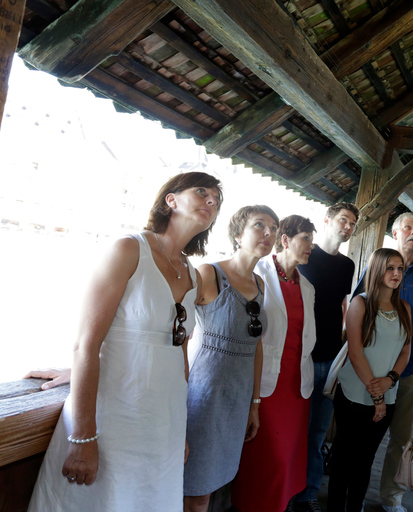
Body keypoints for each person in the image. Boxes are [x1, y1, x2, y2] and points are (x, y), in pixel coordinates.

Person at [28, 172, 223, 512]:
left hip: (163, 424)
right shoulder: (129, 249)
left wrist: (180, 430)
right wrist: (84, 437)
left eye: (217, 200)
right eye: (202, 191)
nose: (212, 201)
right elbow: (86, 345)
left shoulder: (192, 273)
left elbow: (179, 355)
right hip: (115, 419)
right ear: (171, 200)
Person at [353, 211, 413, 512]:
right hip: (373, 367)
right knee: (364, 436)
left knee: (402, 436)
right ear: (395, 233)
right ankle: (352, 496)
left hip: (412, 368)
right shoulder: (378, 263)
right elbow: (357, 305)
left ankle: (391, 497)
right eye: (407, 227)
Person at [183, 205, 278, 512]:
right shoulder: (209, 273)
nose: (269, 233)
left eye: (274, 228)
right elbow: (174, 329)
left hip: (237, 398)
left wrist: (254, 404)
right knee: (193, 487)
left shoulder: (261, 285)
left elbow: (256, 347)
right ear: (238, 234)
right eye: (260, 225)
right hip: (204, 395)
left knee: (212, 485)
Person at [231, 215, 317, 512]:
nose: (311, 245)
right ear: (285, 240)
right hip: (266, 382)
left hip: (297, 385)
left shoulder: (307, 286)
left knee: (290, 458)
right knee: (267, 458)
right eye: (305, 238)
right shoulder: (258, 274)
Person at [328, 248, 413, 512]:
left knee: (365, 461)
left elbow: (406, 351)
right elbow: (355, 352)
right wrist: (376, 396)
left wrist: (391, 379)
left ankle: (354, 507)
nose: (396, 273)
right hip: (354, 395)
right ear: (377, 269)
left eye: (400, 268)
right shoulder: (361, 303)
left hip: (388, 397)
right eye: (390, 268)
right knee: (343, 459)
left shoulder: (404, 307)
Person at [293, 202, 358, 512]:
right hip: (300, 356)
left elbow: (343, 306)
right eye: (343, 219)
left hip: (331, 358)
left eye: (352, 223)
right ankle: (287, 493)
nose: (347, 226)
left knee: (317, 433)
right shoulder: (305, 254)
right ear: (328, 220)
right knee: (293, 430)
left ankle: (307, 495)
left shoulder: (347, 266)